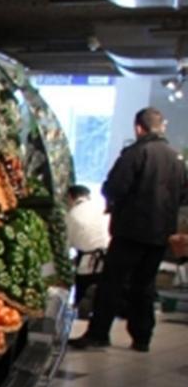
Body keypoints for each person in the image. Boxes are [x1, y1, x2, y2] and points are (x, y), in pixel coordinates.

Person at [70, 107, 188, 351]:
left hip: (130, 230)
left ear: (138, 128)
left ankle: (99, 333)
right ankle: (142, 337)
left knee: (112, 283)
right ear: (161, 126)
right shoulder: (176, 159)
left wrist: (116, 202)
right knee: (144, 285)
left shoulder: (136, 153)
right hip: (159, 234)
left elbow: (114, 188)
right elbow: (184, 196)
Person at [65, 185, 110, 315]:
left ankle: (82, 309)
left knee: (83, 295)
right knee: (103, 298)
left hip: (87, 262)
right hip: (109, 258)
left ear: (70, 197)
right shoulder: (101, 207)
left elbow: (66, 245)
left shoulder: (72, 215)